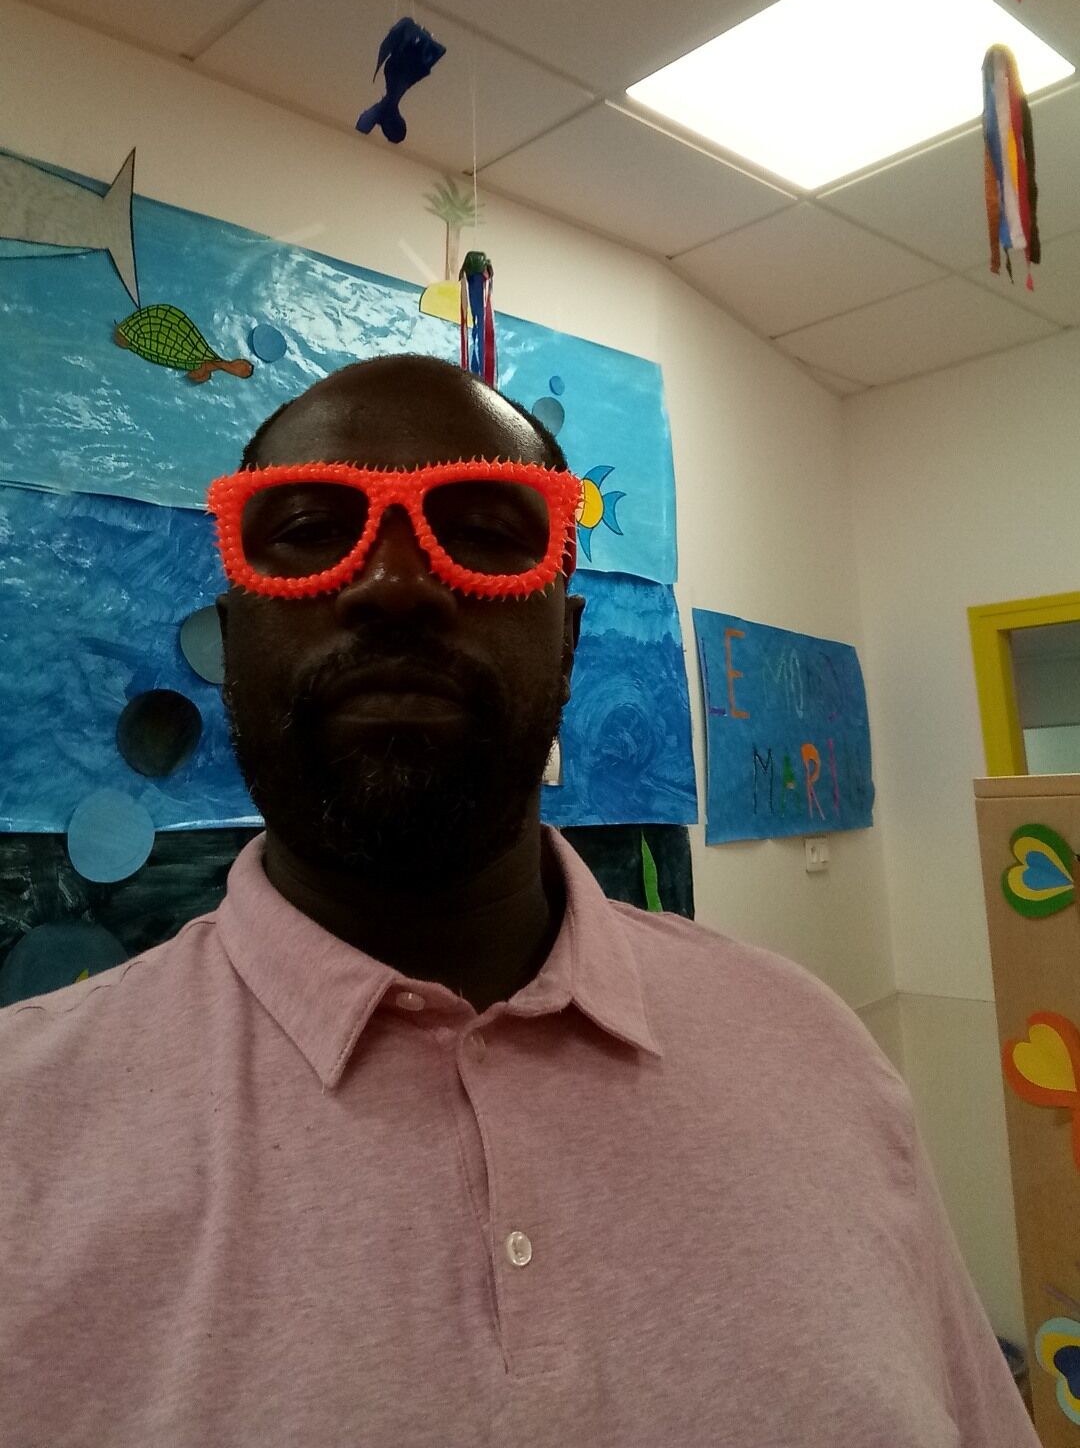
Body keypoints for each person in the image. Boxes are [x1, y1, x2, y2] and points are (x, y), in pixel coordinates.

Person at [1, 354, 1036, 1447]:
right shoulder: (26, 1132)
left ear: (569, 645)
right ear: (233, 634)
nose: (394, 583)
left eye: (487, 532)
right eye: (309, 529)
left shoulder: (816, 1053)